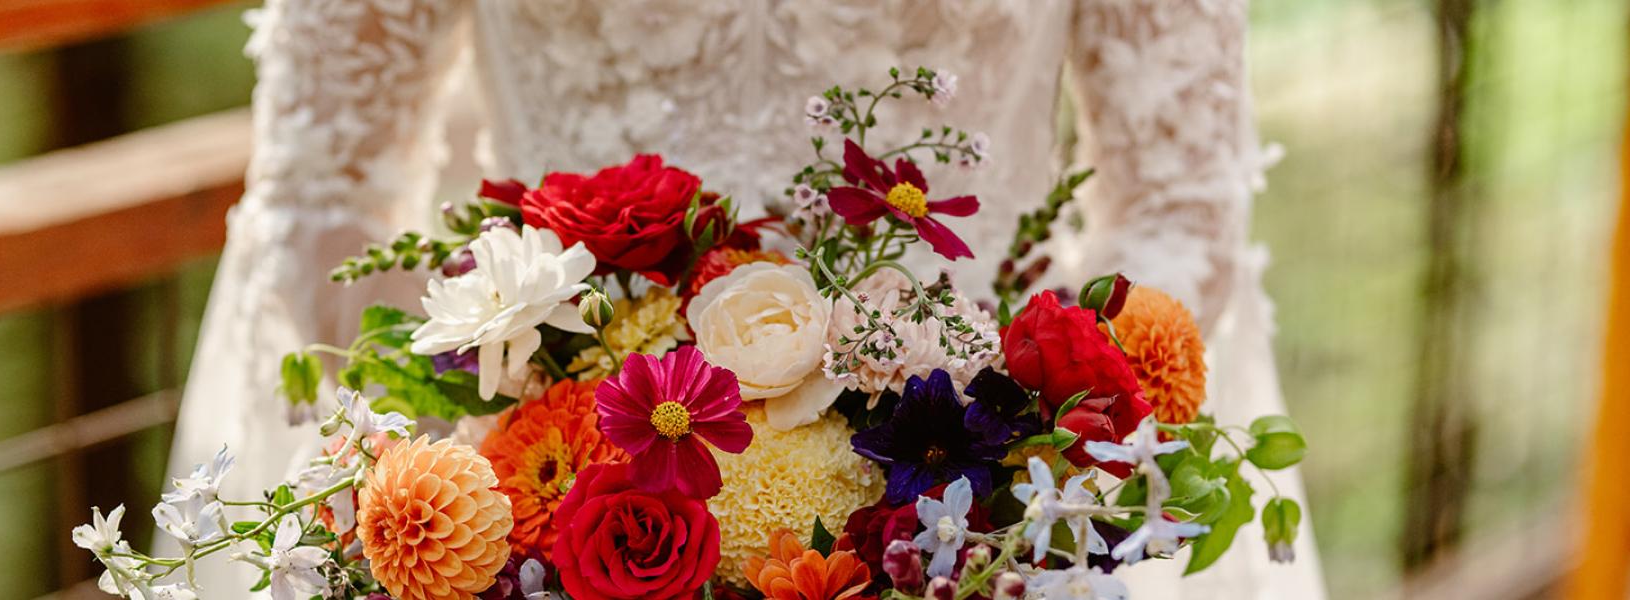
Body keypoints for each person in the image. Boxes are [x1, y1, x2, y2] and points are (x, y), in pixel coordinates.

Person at [162, 1, 1325, 597]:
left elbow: (1180, 203)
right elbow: (322, 213)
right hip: (565, 529)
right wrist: (498, 500)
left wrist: (1018, 490)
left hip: (982, 524)